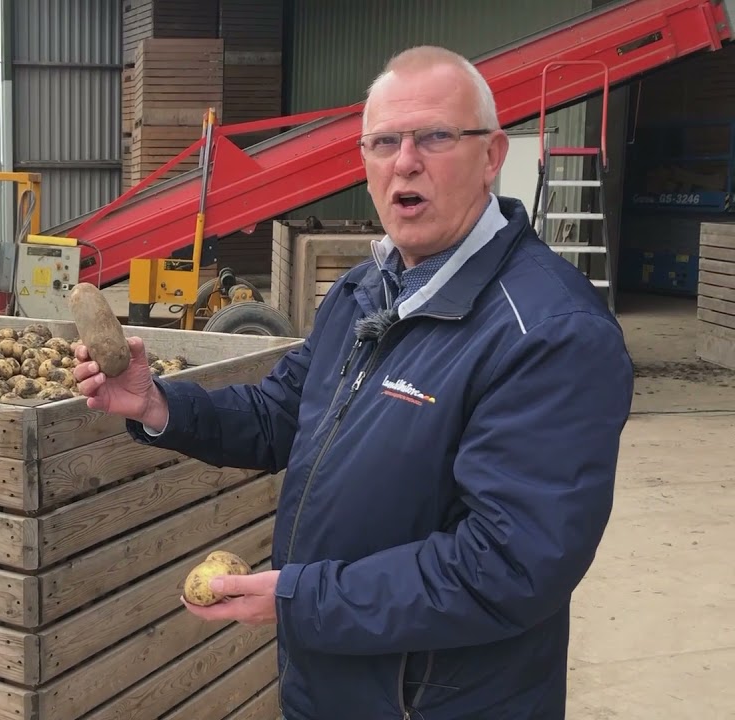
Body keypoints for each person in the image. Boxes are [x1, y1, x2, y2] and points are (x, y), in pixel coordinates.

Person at [75, 46, 634, 719]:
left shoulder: (548, 331)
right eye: (384, 142)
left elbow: (511, 566)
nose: (405, 160)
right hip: (330, 682)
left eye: (435, 136)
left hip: (434, 703)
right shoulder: (367, 289)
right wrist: (160, 403)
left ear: (491, 157)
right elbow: (284, 413)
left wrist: (302, 598)